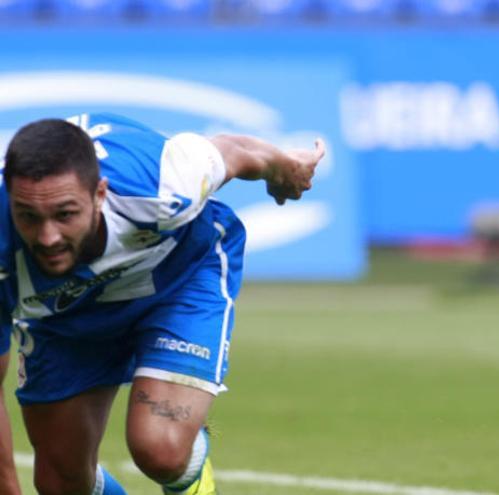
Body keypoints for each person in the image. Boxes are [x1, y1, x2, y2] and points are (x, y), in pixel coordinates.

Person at [0, 112, 325, 494]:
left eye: (65, 214)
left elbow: (235, 151)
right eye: (28, 217)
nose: (48, 236)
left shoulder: (162, 181)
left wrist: (282, 168)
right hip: (64, 313)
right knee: (62, 482)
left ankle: (188, 465)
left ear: (100, 194)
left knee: (160, 448)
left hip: (178, 276)